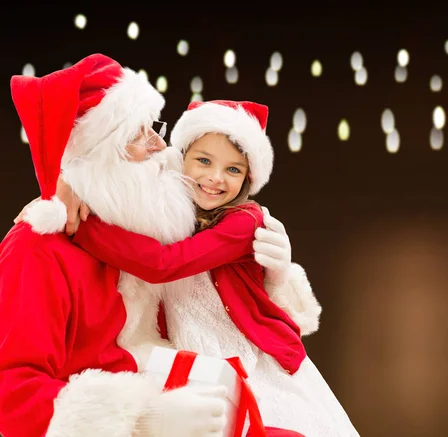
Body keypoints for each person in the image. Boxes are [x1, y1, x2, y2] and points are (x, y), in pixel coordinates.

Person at [1, 54, 310, 437]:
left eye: (155, 127)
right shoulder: (38, 249)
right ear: (100, 154)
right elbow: (11, 397)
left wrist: (277, 281)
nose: (160, 146)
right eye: (137, 134)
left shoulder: (139, 238)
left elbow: (211, 304)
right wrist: (142, 423)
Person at [64, 100, 359, 437]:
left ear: (248, 178)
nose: (215, 178)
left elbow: (164, 264)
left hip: (248, 359)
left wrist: (83, 226)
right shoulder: (170, 209)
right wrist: (74, 188)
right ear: (181, 159)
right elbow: (124, 187)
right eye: (204, 161)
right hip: (190, 357)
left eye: (233, 169)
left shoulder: (245, 221)